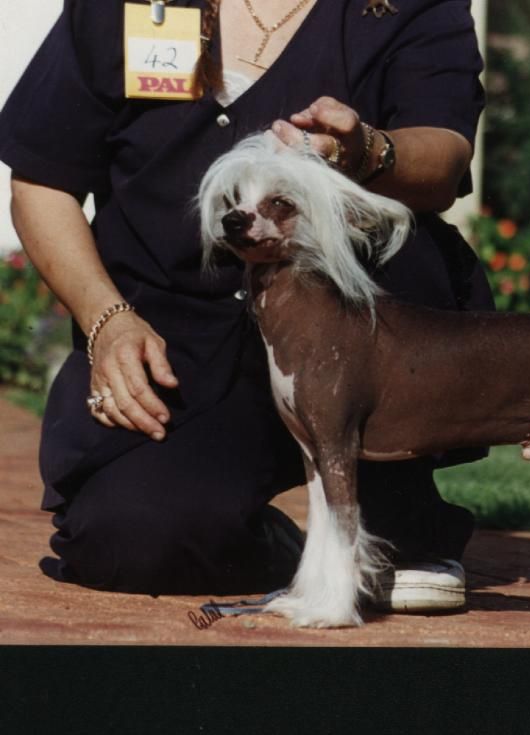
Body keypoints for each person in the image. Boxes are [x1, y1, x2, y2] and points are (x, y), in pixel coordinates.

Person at [0, 0, 494, 607]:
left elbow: (443, 160)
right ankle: (288, 550)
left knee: (396, 255)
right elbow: (41, 182)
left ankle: (400, 519)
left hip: (352, 327)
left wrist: (368, 151)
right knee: (131, 539)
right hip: (174, 335)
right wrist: (105, 318)